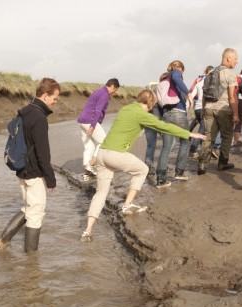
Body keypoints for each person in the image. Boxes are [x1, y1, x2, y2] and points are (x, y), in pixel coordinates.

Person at [80, 89, 205, 242]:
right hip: (115, 154)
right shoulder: (142, 114)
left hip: (102, 154)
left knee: (100, 193)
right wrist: (189, 134)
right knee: (142, 170)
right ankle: (127, 205)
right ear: (151, 103)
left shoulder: (126, 108)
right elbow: (163, 126)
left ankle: (87, 231)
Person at [0, 78, 59, 253]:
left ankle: (3, 239)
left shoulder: (24, 111)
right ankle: (31, 259)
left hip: (21, 169)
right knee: (36, 213)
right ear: (45, 95)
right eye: (54, 98)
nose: (56, 101)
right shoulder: (39, 117)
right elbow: (43, 152)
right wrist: (50, 179)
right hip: (34, 172)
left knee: (30, 206)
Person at [197, 48, 240, 175]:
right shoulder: (230, 74)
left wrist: (204, 109)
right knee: (227, 136)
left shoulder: (210, 72)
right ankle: (223, 163)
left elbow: (205, 94)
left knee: (208, 136)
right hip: (223, 109)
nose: (237, 62)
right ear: (228, 58)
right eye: (235, 59)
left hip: (208, 108)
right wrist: (236, 114)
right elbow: (232, 97)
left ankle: (202, 164)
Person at [155, 60, 193, 188]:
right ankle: (179, 172)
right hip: (178, 113)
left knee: (166, 147)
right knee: (186, 141)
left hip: (166, 115)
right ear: (180, 67)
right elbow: (177, 76)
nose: (182, 72)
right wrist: (188, 94)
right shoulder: (175, 73)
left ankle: (160, 179)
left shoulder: (165, 80)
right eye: (182, 70)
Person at [76, 78, 120, 181]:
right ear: (113, 86)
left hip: (82, 121)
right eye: (115, 90)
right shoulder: (105, 94)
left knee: (89, 146)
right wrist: (93, 126)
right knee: (104, 142)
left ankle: (86, 174)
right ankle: (92, 162)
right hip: (89, 121)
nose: (114, 92)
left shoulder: (98, 91)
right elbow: (98, 111)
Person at [188, 66, 213, 159]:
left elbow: (191, 95)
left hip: (197, 109)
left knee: (204, 129)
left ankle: (206, 149)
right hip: (204, 108)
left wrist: (191, 104)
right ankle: (193, 150)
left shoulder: (199, 83)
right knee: (202, 130)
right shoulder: (210, 83)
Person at [144, 74, 166, 175]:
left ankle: (148, 166)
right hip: (158, 119)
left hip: (148, 120)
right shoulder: (163, 90)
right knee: (169, 142)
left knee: (151, 145)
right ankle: (162, 165)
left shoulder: (151, 92)